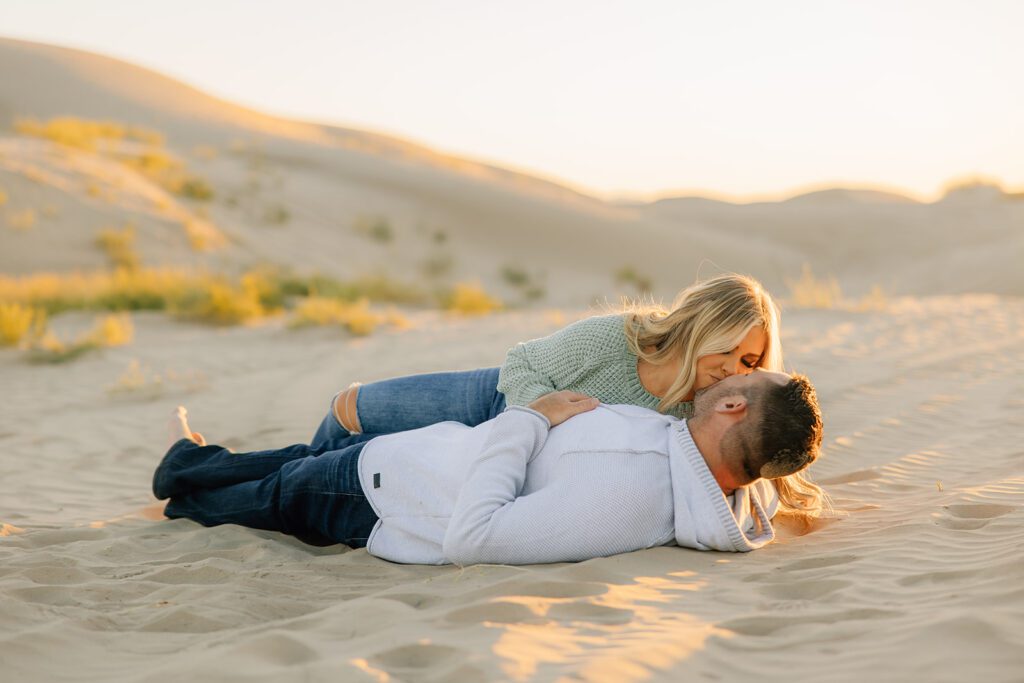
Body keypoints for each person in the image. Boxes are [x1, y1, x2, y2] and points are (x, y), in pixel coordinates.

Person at [152, 369, 824, 566]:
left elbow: (473, 537)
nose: (733, 374)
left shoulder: (636, 487)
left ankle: (181, 493)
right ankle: (191, 459)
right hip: (406, 462)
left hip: (382, 495)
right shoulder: (687, 466)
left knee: (273, 492)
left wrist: (530, 419)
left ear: (733, 406)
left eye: (745, 375)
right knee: (297, 461)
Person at [314, 272, 826, 524]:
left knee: (371, 467)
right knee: (350, 410)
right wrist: (542, 413)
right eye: (730, 351)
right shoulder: (617, 338)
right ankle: (308, 463)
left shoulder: (711, 410)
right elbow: (522, 363)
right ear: (701, 327)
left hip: (516, 455)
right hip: (493, 398)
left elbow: (749, 453)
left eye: (752, 363)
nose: (735, 371)